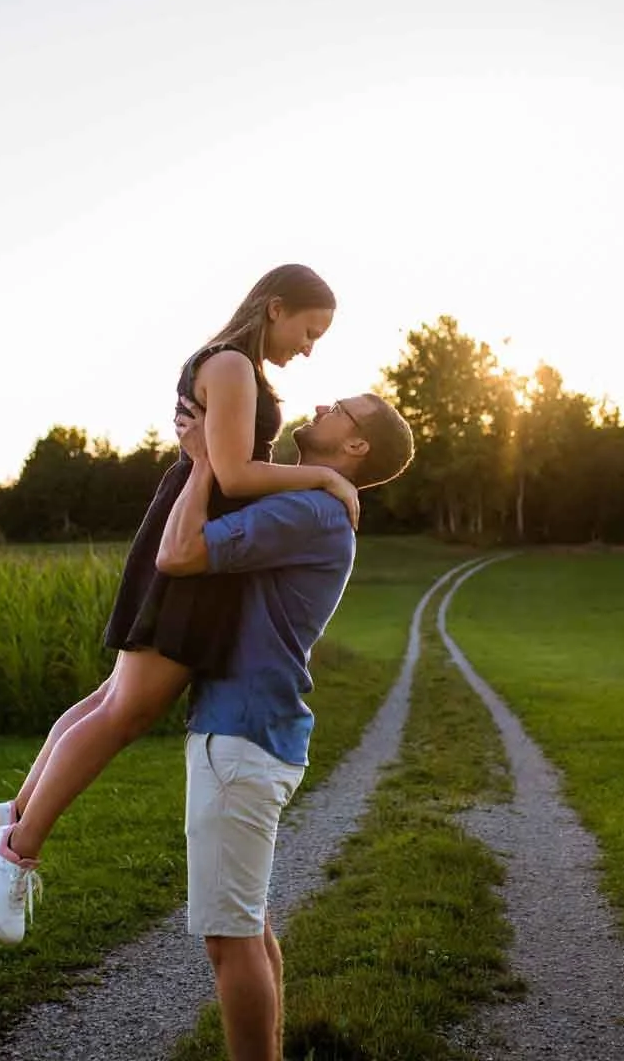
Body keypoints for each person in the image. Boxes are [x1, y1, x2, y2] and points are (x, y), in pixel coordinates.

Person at [0, 265, 362, 945]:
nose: (309, 349)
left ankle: (9, 816)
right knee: (128, 709)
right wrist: (326, 475)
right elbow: (236, 473)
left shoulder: (231, 366)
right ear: (276, 308)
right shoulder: (234, 368)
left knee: (111, 698)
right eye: (309, 330)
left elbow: (228, 468)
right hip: (192, 536)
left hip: (188, 520)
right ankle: (17, 848)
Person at [158, 389, 414, 1061]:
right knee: (249, 922)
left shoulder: (310, 512)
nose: (325, 404)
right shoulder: (316, 502)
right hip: (251, 734)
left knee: (229, 937)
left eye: (342, 409)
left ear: (354, 446)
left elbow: (180, 552)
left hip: (240, 736)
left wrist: (200, 465)